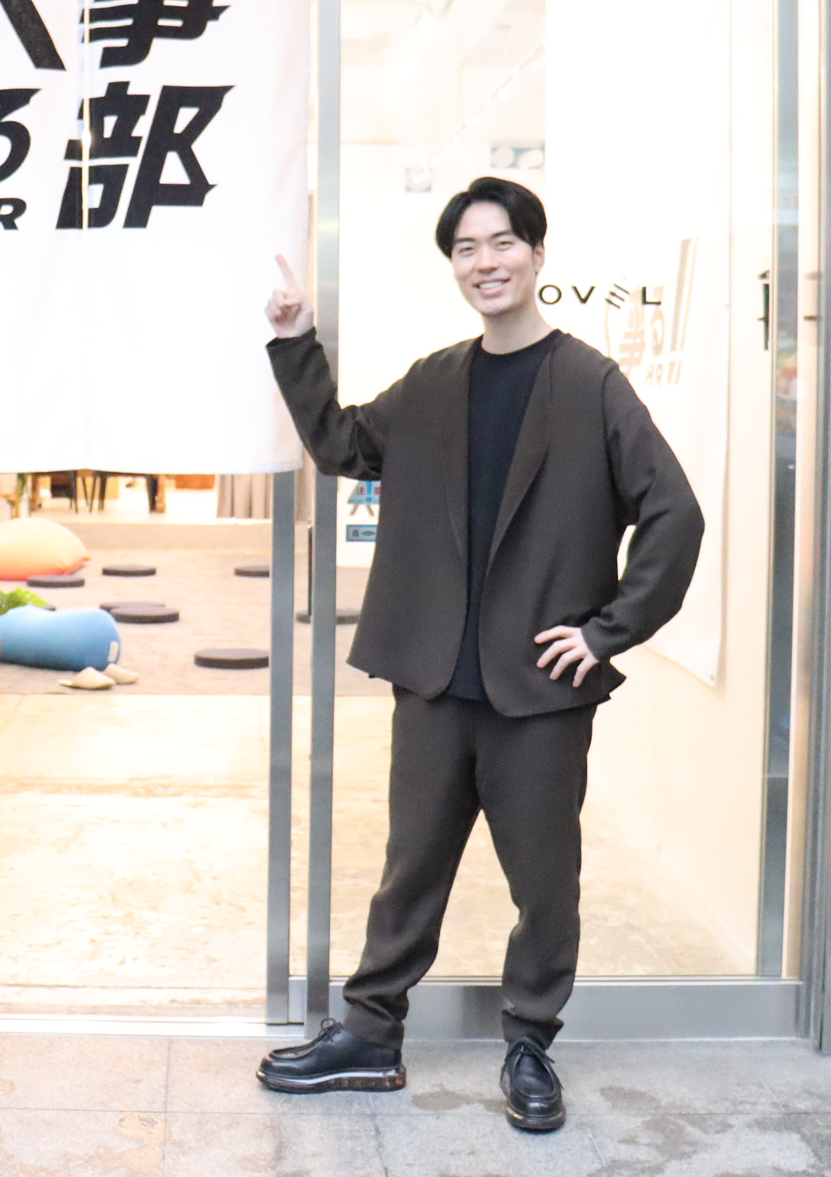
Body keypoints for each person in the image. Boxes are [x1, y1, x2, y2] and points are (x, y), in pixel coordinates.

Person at [254, 177, 703, 1133]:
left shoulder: (588, 383)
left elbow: (674, 513)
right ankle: (371, 1034)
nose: (484, 262)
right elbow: (341, 444)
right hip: (434, 680)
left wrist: (606, 631)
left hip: (538, 691)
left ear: (537, 254)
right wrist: (295, 339)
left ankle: (530, 1043)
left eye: (501, 243)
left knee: (543, 881)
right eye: (465, 248)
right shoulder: (435, 380)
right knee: (409, 866)